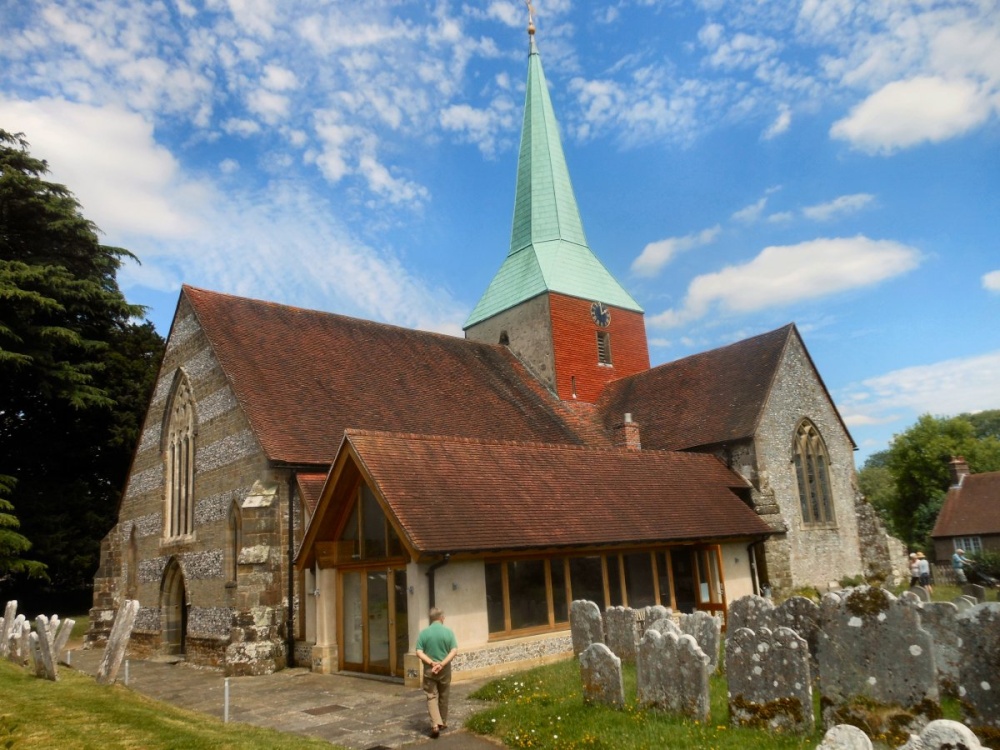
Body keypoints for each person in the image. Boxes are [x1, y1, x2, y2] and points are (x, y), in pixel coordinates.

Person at [415, 607, 458, 739]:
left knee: (431, 696)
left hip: (429, 670)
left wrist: (432, 663)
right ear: (441, 618)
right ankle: (443, 722)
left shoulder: (424, 633)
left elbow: (419, 651)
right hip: (444, 670)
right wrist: (442, 664)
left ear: (431, 619)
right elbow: (454, 650)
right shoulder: (448, 632)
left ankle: (435, 724)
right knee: (444, 695)